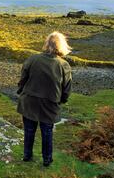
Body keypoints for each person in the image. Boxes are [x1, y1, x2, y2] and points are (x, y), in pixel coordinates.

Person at [16, 31, 72, 167]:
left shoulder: (32, 59)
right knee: (47, 132)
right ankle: (47, 160)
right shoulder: (63, 65)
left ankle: (27, 156)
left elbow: (23, 79)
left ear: (46, 44)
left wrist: (21, 91)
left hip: (29, 101)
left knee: (29, 130)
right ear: (62, 46)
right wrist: (62, 100)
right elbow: (67, 89)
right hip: (50, 103)